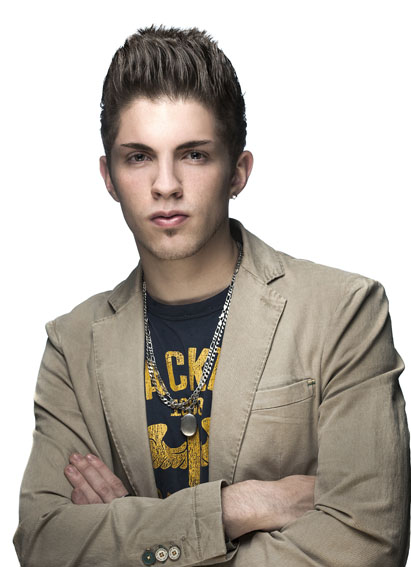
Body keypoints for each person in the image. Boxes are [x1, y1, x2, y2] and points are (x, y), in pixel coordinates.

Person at [14, 25, 409, 567]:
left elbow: (367, 544)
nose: (166, 184)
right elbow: (45, 544)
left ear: (237, 172)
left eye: (194, 155)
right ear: (109, 176)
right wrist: (236, 507)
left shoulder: (343, 312)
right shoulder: (72, 344)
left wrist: (134, 534)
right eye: (138, 157)